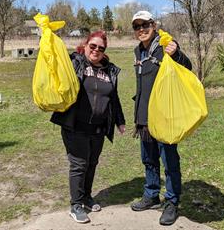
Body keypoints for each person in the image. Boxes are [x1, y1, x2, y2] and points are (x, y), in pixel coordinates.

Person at [50, 30, 126, 224]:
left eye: (101, 48)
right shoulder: (74, 63)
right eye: (93, 46)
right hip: (75, 125)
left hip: (98, 128)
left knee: (92, 163)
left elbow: (113, 97)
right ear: (85, 45)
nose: (96, 50)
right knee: (79, 165)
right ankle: (75, 204)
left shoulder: (109, 70)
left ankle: (86, 197)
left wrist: (119, 120)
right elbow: (55, 66)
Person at [129, 11, 192, 226]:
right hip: (144, 116)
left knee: (169, 161)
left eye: (145, 25)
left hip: (165, 117)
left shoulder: (165, 45)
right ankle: (152, 194)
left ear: (153, 25)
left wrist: (176, 54)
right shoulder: (138, 51)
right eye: (137, 26)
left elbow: (187, 66)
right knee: (148, 159)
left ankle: (172, 202)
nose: (141, 29)